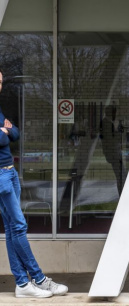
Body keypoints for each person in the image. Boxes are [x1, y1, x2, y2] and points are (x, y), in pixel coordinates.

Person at [0, 69, 68, 298]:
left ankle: (22, 284)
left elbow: (15, 133)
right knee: (18, 226)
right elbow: (2, 137)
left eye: (0, 81)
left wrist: (6, 131)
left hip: (10, 173)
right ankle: (39, 279)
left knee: (11, 228)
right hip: (0, 175)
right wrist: (5, 132)